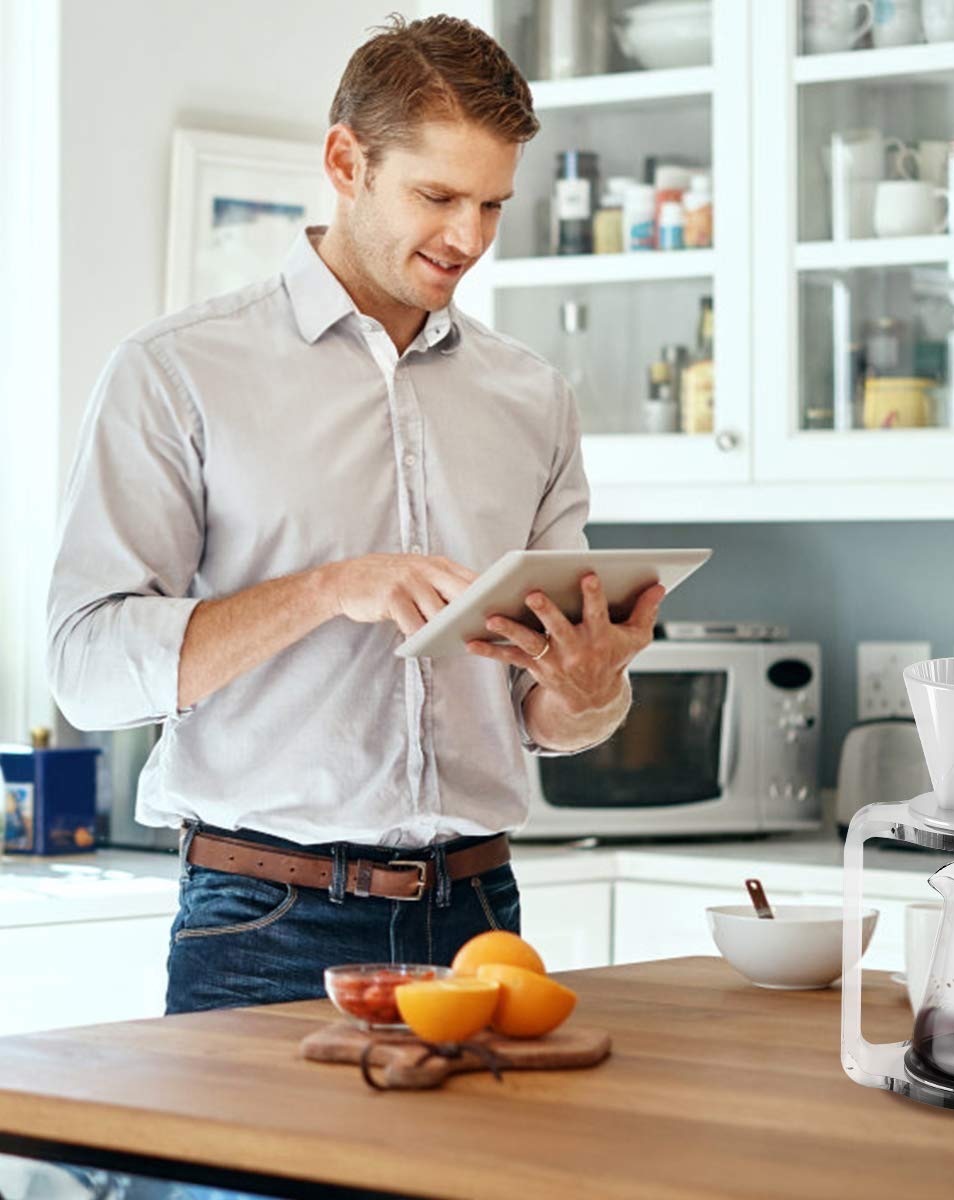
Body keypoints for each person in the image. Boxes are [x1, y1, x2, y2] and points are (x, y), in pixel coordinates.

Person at [46, 14, 664, 1015]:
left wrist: (591, 690)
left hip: (481, 923)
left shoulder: (532, 397)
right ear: (345, 159)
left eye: (493, 204)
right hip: (262, 924)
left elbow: (550, 718)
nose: (468, 237)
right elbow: (86, 667)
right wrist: (336, 588)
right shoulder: (177, 372)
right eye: (437, 196)